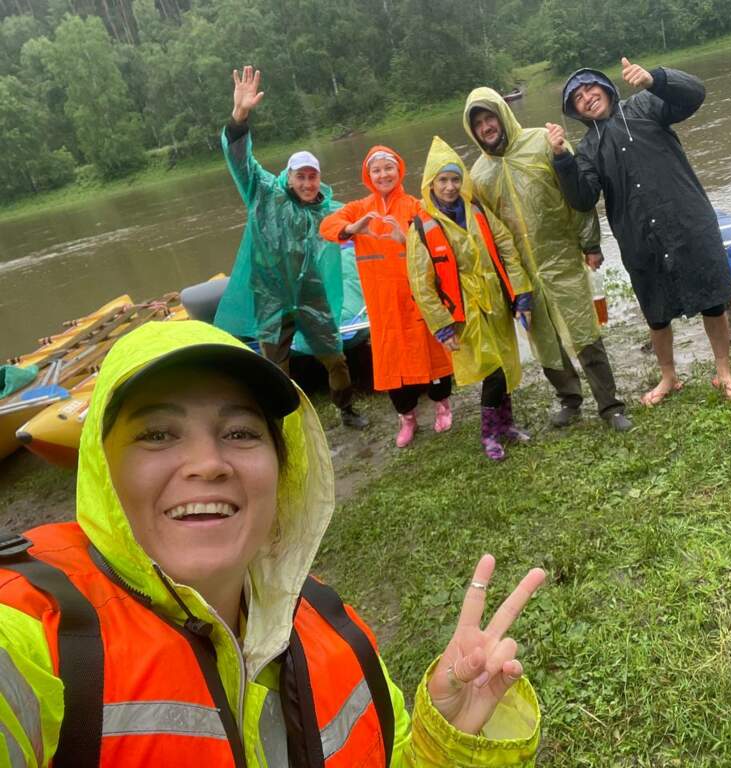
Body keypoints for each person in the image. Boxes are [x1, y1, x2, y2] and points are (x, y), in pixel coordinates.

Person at [0, 319, 545, 766]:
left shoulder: (337, 635)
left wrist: (442, 737)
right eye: (157, 434)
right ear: (103, 467)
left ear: (283, 469)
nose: (209, 464)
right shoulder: (34, 636)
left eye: (240, 433)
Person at [547, 57, 731, 404]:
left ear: (606, 88)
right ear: (574, 111)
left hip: (688, 222)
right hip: (639, 239)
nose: (587, 96)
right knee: (656, 314)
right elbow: (582, 198)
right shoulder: (588, 149)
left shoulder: (645, 105)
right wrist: (562, 157)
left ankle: (724, 372)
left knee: (713, 303)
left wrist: (656, 79)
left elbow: (695, 95)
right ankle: (669, 377)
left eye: (590, 87)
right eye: (577, 97)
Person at [464, 89, 632, 432]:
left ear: (502, 114)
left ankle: (610, 406)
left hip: (561, 256)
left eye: (489, 118)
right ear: (473, 131)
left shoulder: (543, 141)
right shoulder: (478, 176)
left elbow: (576, 195)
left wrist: (590, 243)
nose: (486, 127)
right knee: (543, 339)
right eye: (478, 124)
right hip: (522, 270)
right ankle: (569, 400)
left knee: (583, 329)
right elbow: (484, 231)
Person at [213, 65, 368, 429]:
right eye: (301, 176)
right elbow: (240, 160)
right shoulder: (264, 192)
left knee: (336, 358)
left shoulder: (326, 209)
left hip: (312, 294)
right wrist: (239, 116)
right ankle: (279, 425)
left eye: (313, 176)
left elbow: (351, 224)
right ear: (289, 175)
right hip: (272, 297)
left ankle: (345, 408)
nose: (308, 182)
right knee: (274, 366)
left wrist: (363, 229)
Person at [407, 137, 533, 461]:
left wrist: (521, 294)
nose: (450, 187)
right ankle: (489, 434)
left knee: (504, 365)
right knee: (491, 370)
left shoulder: (476, 210)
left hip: (495, 302)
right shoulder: (422, 227)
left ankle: (506, 425)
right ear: (430, 183)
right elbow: (421, 284)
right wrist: (443, 328)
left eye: (455, 179)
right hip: (464, 312)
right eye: (442, 180)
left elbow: (505, 246)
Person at [320, 147, 455, 448]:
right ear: (369, 176)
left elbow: (437, 247)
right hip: (383, 307)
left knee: (433, 357)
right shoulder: (357, 208)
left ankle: (442, 405)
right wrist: (350, 229)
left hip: (417, 299)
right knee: (392, 366)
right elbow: (326, 226)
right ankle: (406, 418)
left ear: (399, 171)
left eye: (388, 168)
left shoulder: (416, 206)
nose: (383, 175)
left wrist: (406, 241)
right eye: (377, 170)